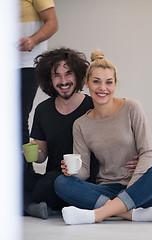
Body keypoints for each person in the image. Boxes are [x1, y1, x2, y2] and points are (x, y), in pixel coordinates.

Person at [54, 50, 152, 225]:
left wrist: (132, 190)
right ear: (87, 83)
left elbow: (147, 152)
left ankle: (98, 214)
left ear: (115, 84)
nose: (103, 88)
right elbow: (84, 171)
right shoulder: (80, 124)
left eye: (109, 82)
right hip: (107, 190)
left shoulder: (132, 107)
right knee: (61, 182)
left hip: (137, 187)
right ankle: (132, 214)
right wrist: (72, 171)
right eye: (96, 82)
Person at [23, 47, 139, 219]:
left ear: (78, 76)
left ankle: (29, 206)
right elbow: (42, 156)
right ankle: (33, 205)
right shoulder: (43, 110)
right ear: (50, 79)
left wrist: (132, 156)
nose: (63, 81)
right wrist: (32, 152)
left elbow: (115, 137)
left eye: (68, 74)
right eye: (57, 75)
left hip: (86, 182)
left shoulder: (93, 105)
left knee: (53, 181)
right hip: (54, 179)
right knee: (17, 176)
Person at [19, 0, 59, 173]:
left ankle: (24, 176)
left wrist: (32, 40)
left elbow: (52, 23)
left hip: (25, 65)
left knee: (16, 118)